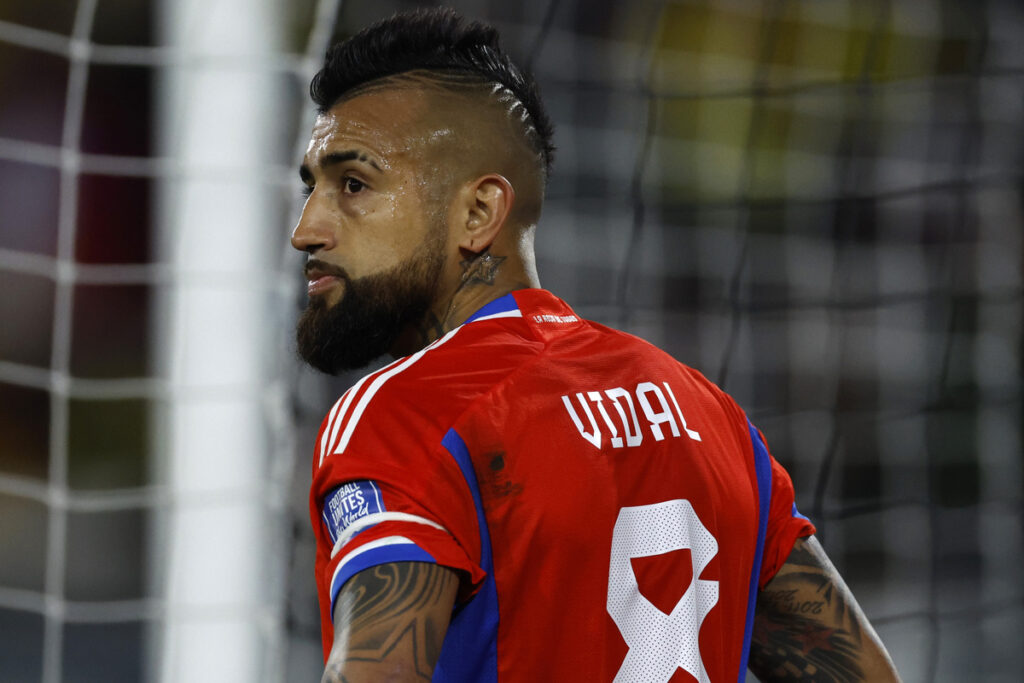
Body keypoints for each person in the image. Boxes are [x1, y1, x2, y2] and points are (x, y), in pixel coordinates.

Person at [291, 7, 901, 683]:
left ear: (477, 213)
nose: (307, 228)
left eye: (353, 184)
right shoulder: (706, 410)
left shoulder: (405, 415)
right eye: (311, 186)